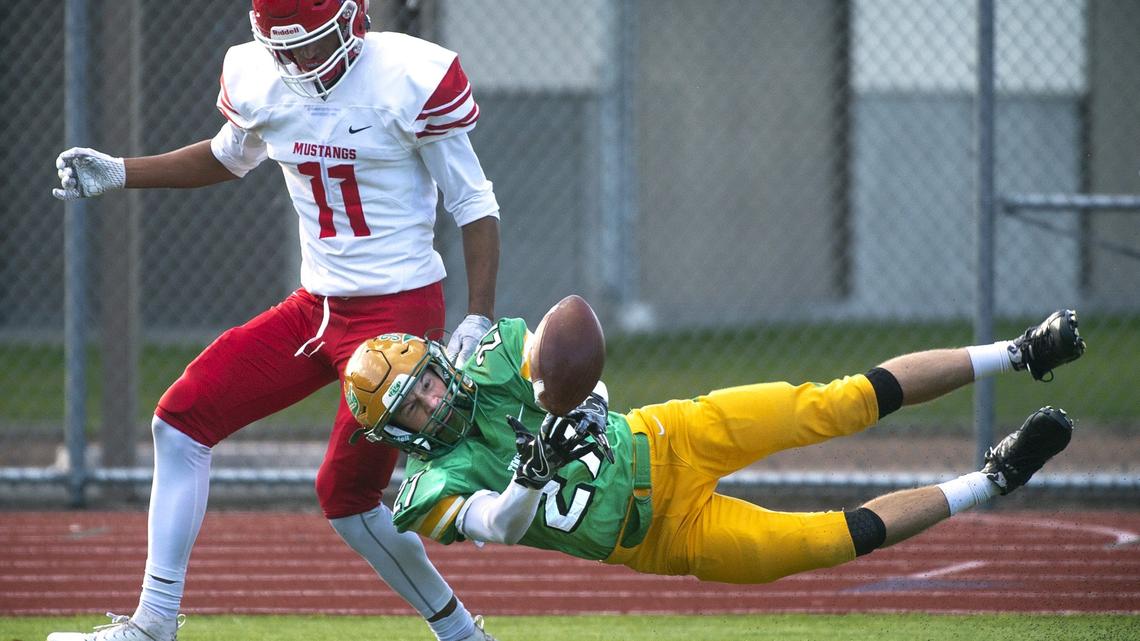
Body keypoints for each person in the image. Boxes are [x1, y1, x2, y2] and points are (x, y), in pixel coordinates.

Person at [48, 1, 499, 640]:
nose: (299, 61)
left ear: (352, 21)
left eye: (312, 43)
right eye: (285, 48)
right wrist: (123, 172)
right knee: (180, 421)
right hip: (317, 307)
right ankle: (152, 625)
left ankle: (461, 634)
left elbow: (473, 202)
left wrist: (478, 316)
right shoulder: (259, 75)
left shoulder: (409, 77)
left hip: (397, 313)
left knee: (346, 497)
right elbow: (228, 156)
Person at [340, 309, 1086, 585]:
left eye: (425, 384)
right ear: (394, 433)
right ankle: (992, 479)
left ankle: (1021, 351)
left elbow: (579, 360)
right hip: (662, 536)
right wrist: (531, 474)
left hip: (669, 438)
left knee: (835, 401)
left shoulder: (496, 358)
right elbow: (500, 526)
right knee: (826, 540)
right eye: (411, 408)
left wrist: (589, 405)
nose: (431, 402)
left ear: (437, 364)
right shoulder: (429, 487)